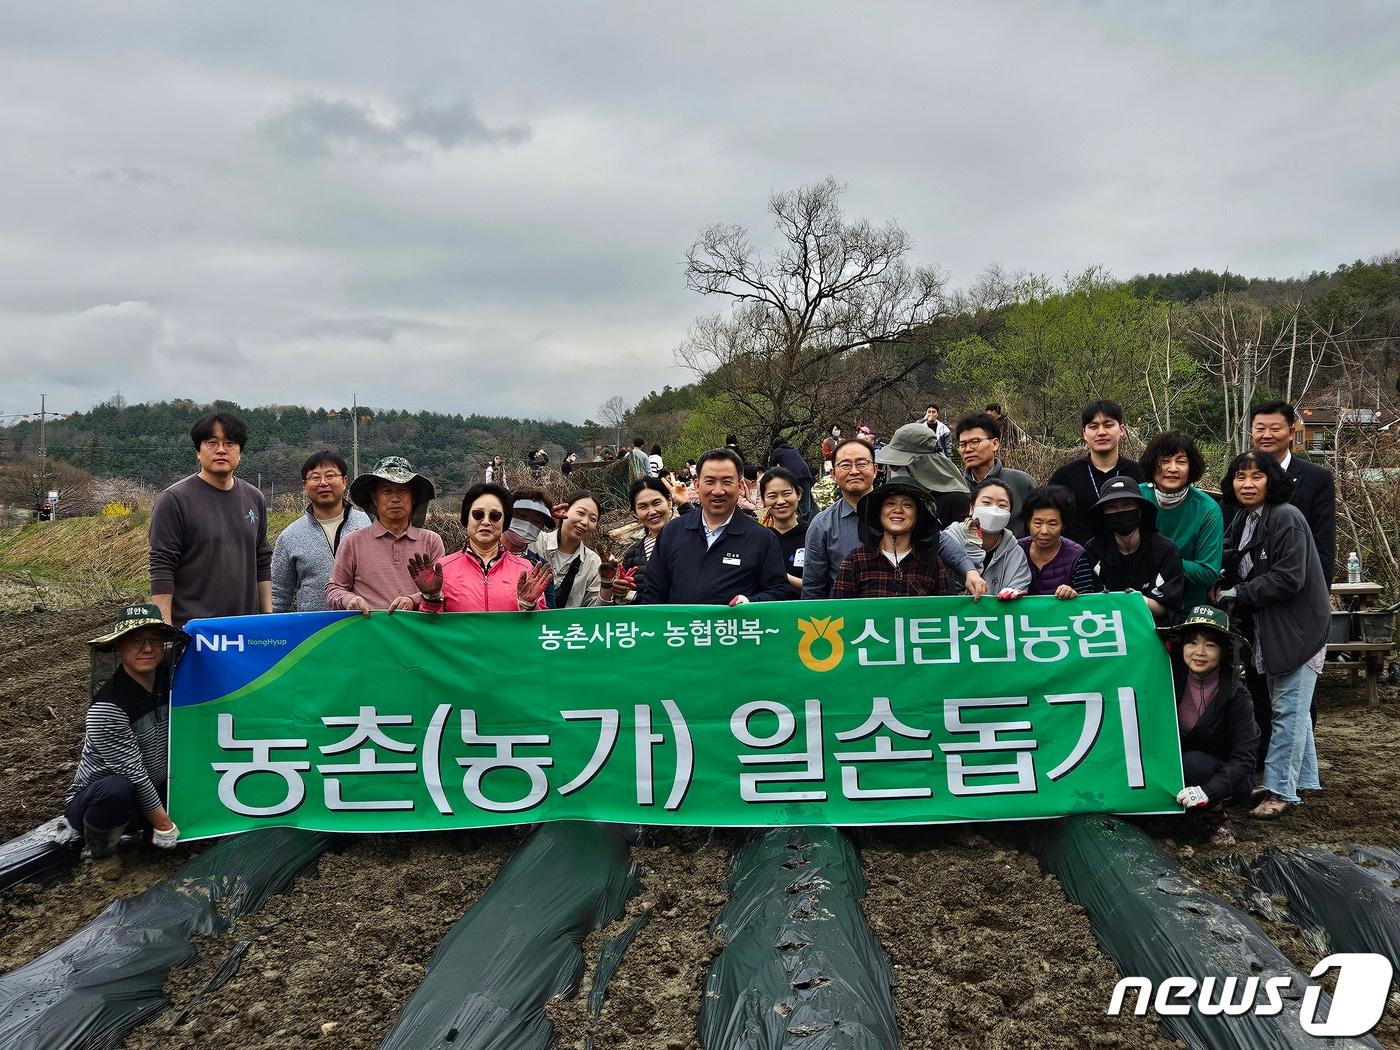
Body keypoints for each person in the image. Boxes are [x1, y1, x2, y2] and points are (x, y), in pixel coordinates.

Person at [1218, 450, 1329, 820]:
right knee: (1290, 707)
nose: (1247, 484)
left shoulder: (1286, 517)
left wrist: (1238, 593)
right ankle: (1304, 780)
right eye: (1240, 477)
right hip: (1274, 629)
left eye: (1256, 477)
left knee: (1288, 712)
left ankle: (1281, 790)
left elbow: (1288, 577)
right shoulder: (1246, 520)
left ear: (1272, 480)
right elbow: (1236, 560)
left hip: (1299, 630)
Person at [63, 604, 187, 857]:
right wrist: (164, 826)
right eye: (137, 641)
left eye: (155, 640)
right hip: (99, 802)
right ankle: (97, 848)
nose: (148, 648)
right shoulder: (109, 707)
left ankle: (148, 831)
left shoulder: (170, 683)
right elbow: (134, 774)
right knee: (117, 789)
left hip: (150, 790)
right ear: (119, 647)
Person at [804, 437, 984, 600]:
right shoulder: (823, 526)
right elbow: (813, 588)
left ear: (875, 469)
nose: (854, 471)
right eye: (845, 465)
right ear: (833, 474)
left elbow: (940, 541)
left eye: (861, 463)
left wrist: (970, 571)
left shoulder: (898, 516)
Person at [148, 411, 272, 627]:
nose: (221, 450)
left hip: (245, 628)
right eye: (212, 443)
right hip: (194, 630)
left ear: (240, 452)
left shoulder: (255, 498)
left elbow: (262, 561)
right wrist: (166, 630)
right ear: (198, 451)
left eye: (230, 443)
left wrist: (267, 618)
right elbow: (162, 567)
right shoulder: (174, 500)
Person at [636, 448, 790, 605]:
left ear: (740, 486)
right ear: (696, 485)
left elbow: (780, 591)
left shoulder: (762, 538)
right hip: (680, 628)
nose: (718, 491)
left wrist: (750, 602)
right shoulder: (672, 532)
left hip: (732, 628)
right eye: (709, 481)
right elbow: (653, 591)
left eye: (727, 482)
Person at [1160, 605, 1260, 847]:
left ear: (1224, 651)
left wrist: (1209, 791)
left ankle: (1215, 818)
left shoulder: (1236, 694)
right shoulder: (1167, 681)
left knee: (1192, 762)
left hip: (1224, 778)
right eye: (1192, 642)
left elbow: (1245, 759)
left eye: (1210, 645)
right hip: (1173, 771)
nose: (1199, 652)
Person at [326, 456, 445, 614]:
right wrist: (350, 600)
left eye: (402, 491)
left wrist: (413, 600)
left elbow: (444, 588)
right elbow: (334, 589)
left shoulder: (431, 540)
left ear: (413, 498)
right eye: (387, 491)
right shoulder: (353, 542)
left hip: (417, 633)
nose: (395, 498)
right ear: (374, 498)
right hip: (370, 633)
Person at [1234, 400, 1336, 581]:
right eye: (1259, 429)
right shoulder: (1239, 476)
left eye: (1274, 429)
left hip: (1297, 587)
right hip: (1244, 590)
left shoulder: (1317, 478)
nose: (1266, 435)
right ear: (1252, 433)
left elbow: (1323, 545)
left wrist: (1318, 595)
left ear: (1290, 433)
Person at [410, 484, 551, 613]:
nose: (486, 521)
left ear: (505, 523)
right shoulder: (444, 568)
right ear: (466, 519)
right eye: (478, 514)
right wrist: (431, 598)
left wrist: (529, 605)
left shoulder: (525, 568)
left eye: (495, 516)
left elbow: (538, 626)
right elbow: (432, 627)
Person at [271, 451, 371, 613]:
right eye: (315, 477)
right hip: (314, 632)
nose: (323, 483)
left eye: (330, 476)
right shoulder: (290, 536)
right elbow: (278, 593)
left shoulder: (367, 524)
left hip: (364, 627)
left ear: (345, 481)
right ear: (304, 485)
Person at [1081, 476, 1185, 623]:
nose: (1120, 511)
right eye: (1112, 507)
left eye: (1128, 504)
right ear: (1103, 514)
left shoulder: (1166, 550)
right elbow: (1087, 600)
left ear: (1140, 510)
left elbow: (1169, 607)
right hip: (1106, 628)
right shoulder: (1093, 549)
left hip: (1152, 630)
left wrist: (1140, 601)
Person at [1139, 431, 1222, 610]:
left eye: (1181, 461)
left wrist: (1161, 560)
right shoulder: (1136, 497)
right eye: (1164, 461)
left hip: (1187, 611)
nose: (1173, 468)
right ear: (1152, 464)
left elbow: (1208, 572)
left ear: (1191, 467)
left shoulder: (1207, 508)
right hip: (1137, 607)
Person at [1047, 400, 1146, 545]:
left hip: (1131, 559)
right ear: (1084, 434)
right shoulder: (1064, 476)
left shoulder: (1140, 473)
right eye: (1093, 427)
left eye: (1108, 425)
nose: (1101, 432)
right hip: (1077, 562)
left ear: (1122, 430)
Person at [833, 477, 948, 598]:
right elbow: (840, 611)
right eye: (890, 503)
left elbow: (945, 611)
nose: (898, 510)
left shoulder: (932, 563)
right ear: (880, 512)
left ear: (917, 516)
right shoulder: (856, 560)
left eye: (907, 505)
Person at [944, 480, 1032, 596]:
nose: (994, 510)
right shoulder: (949, 539)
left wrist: (1014, 593)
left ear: (1009, 514)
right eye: (986, 502)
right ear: (971, 508)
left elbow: (1019, 586)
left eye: (1002, 505)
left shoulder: (1015, 553)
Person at [876, 422, 972, 528]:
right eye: (891, 465)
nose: (894, 471)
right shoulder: (893, 499)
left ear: (921, 466)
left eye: (897, 466)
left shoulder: (955, 501)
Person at [954, 412, 1035, 537]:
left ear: (995, 444)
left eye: (975, 442)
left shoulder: (1021, 482)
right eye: (962, 444)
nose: (968, 449)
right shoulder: (956, 488)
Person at [531, 491, 607, 608]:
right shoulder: (535, 540)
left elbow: (595, 611)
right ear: (563, 511)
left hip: (566, 626)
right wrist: (540, 516)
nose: (585, 522)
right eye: (580, 513)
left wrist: (607, 585)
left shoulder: (592, 562)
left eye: (592, 519)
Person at [1019, 486, 1095, 598]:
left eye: (1052, 524)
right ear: (1028, 523)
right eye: (1038, 523)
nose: (1044, 531)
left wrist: (1073, 594)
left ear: (1063, 525)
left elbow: (1087, 600)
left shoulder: (1077, 555)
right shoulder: (1016, 549)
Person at [499, 487, 560, 608]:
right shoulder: (483, 555)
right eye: (521, 516)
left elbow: (548, 616)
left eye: (536, 521)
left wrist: (529, 605)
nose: (528, 525)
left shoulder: (540, 568)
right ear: (506, 514)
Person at [617, 477, 675, 602]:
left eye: (656, 503)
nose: (652, 511)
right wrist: (621, 592)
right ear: (635, 514)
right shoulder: (632, 555)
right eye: (643, 507)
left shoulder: (691, 539)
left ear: (669, 502)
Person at [760, 467, 807, 596]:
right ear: (763, 500)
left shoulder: (813, 534)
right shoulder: (759, 538)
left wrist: (780, 575)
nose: (780, 501)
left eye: (786, 493)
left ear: (799, 494)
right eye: (772, 496)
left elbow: (817, 585)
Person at [768, 435, 815, 521]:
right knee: (806, 502)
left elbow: (771, 469)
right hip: (806, 474)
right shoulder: (793, 449)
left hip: (793, 476)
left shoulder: (776, 451)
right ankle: (808, 521)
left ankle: (799, 521)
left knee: (793, 499)